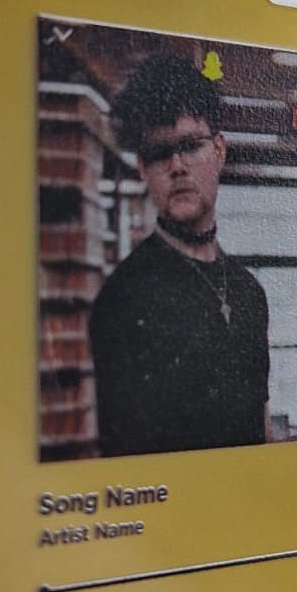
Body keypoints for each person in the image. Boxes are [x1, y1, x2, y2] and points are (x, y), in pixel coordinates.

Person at [90, 54, 270, 457]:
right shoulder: (124, 300)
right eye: (159, 153)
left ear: (219, 149)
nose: (176, 166)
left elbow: (260, 426)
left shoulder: (249, 293)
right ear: (142, 167)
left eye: (190, 146)